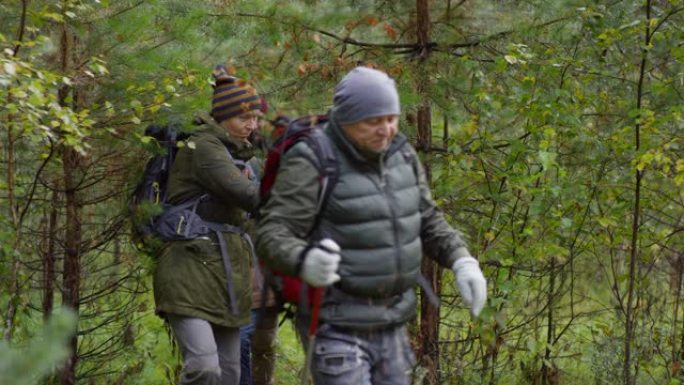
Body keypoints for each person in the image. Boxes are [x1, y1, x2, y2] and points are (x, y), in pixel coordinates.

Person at [255, 66, 488, 385]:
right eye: (373, 121)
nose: (386, 129)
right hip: (335, 325)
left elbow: (427, 218)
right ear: (346, 119)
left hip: (393, 322)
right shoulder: (312, 159)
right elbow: (271, 233)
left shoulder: (401, 154)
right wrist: (304, 260)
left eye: (391, 119)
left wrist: (461, 260)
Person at [153, 65, 263, 385]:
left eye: (255, 117)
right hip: (188, 269)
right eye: (245, 117)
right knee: (204, 368)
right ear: (224, 116)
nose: (253, 125)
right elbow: (246, 195)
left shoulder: (238, 154)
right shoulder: (204, 146)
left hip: (225, 275)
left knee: (229, 374)